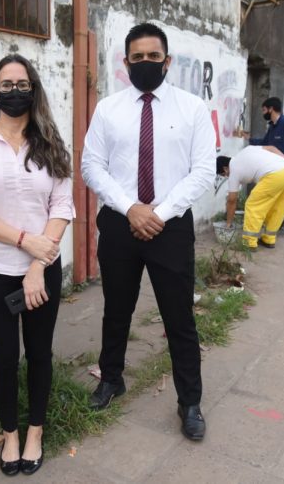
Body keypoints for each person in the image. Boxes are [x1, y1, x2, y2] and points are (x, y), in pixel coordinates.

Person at [81, 22, 214, 441]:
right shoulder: (108, 110)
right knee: (116, 308)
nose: (145, 63)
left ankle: (189, 401)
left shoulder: (192, 109)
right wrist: (132, 209)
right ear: (126, 62)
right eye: (137, 57)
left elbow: (203, 171)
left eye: (153, 57)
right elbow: (91, 166)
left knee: (179, 317)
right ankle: (111, 379)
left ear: (167, 61)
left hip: (170, 227)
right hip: (120, 223)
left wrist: (161, 213)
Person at [0, 54, 74, 476]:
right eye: (6, 85)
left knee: (39, 353)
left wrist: (38, 263)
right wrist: (25, 240)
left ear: (33, 90)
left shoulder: (50, 142)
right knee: (4, 357)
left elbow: (62, 206)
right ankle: (10, 434)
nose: (14, 91)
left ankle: (35, 431)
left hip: (43, 268)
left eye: (22, 84)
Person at [243, 97, 284, 235]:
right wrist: (249, 139)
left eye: (264, 110)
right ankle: (282, 222)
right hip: (280, 169)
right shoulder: (272, 127)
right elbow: (265, 143)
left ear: (271, 109)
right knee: (281, 197)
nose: (263, 113)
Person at [224, 146, 284, 250]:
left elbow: (232, 200)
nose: (226, 176)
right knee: (277, 206)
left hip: (274, 175)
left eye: (224, 174)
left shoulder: (234, 170)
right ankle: (269, 239)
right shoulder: (247, 150)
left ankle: (249, 242)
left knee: (253, 205)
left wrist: (228, 223)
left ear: (225, 168)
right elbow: (272, 148)